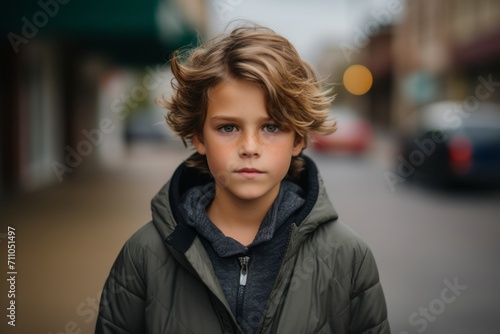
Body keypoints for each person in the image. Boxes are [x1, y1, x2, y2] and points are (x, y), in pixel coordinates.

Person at [95, 24, 389, 334]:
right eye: (228, 128)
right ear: (199, 137)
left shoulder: (348, 257)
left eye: (272, 127)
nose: (249, 147)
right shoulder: (144, 255)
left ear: (298, 139)